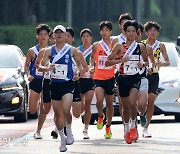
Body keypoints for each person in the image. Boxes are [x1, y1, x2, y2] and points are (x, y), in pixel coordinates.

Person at [38, 24, 86, 152]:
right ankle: (62, 140)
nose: (59, 35)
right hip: (54, 85)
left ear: (65, 36)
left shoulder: (72, 50)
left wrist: (78, 73)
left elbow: (80, 66)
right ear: (53, 35)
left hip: (68, 84)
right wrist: (47, 68)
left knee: (66, 110)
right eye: (56, 33)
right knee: (58, 114)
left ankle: (69, 131)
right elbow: (40, 66)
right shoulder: (49, 51)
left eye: (61, 33)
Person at [105, 20, 148, 144]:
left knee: (132, 102)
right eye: (128, 31)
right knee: (125, 107)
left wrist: (142, 64)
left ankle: (134, 125)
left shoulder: (140, 47)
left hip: (135, 77)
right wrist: (121, 60)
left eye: (133, 31)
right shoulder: (119, 46)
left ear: (137, 33)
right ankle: (126, 127)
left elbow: (146, 61)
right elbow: (108, 62)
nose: (131, 34)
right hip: (122, 78)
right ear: (124, 32)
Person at [142, 21, 170, 138]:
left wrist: (161, 63)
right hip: (143, 74)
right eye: (150, 30)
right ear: (146, 32)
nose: (152, 33)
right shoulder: (141, 44)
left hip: (154, 75)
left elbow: (168, 61)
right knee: (142, 101)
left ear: (157, 33)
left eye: (155, 31)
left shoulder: (160, 45)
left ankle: (146, 127)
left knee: (151, 101)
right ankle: (140, 115)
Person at [90, 21, 115, 139]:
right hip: (98, 77)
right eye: (103, 30)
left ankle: (108, 127)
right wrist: (91, 67)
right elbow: (91, 58)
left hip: (110, 77)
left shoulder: (114, 45)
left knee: (110, 105)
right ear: (100, 32)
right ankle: (100, 116)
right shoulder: (96, 45)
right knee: (99, 100)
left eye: (107, 30)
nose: (104, 32)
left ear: (110, 32)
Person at [24, 24, 51, 118]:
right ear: (37, 36)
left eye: (45, 34)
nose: (43, 36)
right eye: (41, 34)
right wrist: (28, 75)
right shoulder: (32, 51)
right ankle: (38, 100)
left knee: (46, 108)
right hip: (35, 79)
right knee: (32, 110)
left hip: (47, 80)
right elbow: (26, 65)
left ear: (48, 36)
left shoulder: (52, 50)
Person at [33, 29, 55, 139]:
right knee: (45, 108)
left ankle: (58, 129)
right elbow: (37, 65)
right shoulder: (44, 51)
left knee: (59, 106)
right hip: (47, 81)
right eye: (52, 38)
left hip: (60, 82)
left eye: (56, 37)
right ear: (50, 39)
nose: (54, 40)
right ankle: (38, 130)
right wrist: (46, 68)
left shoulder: (66, 51)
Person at [112, 13, 132, 121]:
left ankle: (133, 121)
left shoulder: (135, 39)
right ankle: (125, 123)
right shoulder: (116, 40)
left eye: (127, 23)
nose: (125, 25)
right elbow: (111, 57)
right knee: (122, 100)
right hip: (120, 72)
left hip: (134, 72)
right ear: (120, 25)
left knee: (132, 101)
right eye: (123, 23)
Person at [78, 28, 95, 139]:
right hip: (80, 80)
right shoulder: (77, 50)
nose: (85, 38)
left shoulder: (94, 49)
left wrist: (94, 70)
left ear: (91, 38)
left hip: (90, 80)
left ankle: (86, 129)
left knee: (88, 104)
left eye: (87, 36)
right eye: (83, 36)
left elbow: (98, 62)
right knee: (80, 106)